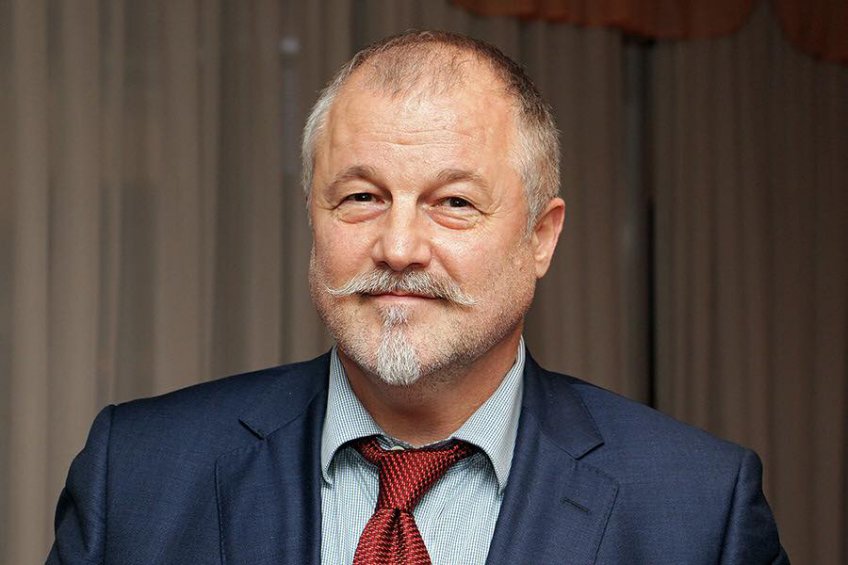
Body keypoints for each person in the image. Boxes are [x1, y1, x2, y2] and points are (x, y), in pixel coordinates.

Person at [48, 31, 788, 565]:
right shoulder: (138, 475)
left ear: (541, 237)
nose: (399, 247)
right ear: (312, 217)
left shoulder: (698, 511)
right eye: (361, 197)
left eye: (454, 203)